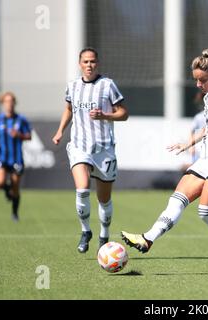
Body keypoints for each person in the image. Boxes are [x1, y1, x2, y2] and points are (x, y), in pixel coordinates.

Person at [121, 49, 208, 273]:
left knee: (205, 211)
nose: (198, 84)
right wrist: (189, 142)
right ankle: (147, 239)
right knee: (177, 199)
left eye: (202, 80)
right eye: (195, 80)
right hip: (207, 156)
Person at [52, 47, 129, 253]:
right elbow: (68, 109)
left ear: (97, 63)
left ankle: (104, 235)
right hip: (79, 146)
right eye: (85, 62)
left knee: (103, 199)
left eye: (92, 61)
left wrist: (105, 115)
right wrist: (60, 131)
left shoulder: (107, 85)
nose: (89, 65)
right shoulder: (73, 86)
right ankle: (86, 231)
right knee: (83, 189)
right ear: (80, 64)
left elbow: (123, 113)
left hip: (104, 149)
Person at [0, 92, 32, 221]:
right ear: (3, 104)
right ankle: (7, 190)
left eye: (11, 101)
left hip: (16, 158)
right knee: (0, 182)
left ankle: (15, 213)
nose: (9, 104)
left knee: (16, 187)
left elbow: (29, 136)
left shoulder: (21, 119)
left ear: (14, 103)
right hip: (2, 157)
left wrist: (19, 135)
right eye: (6, 101)